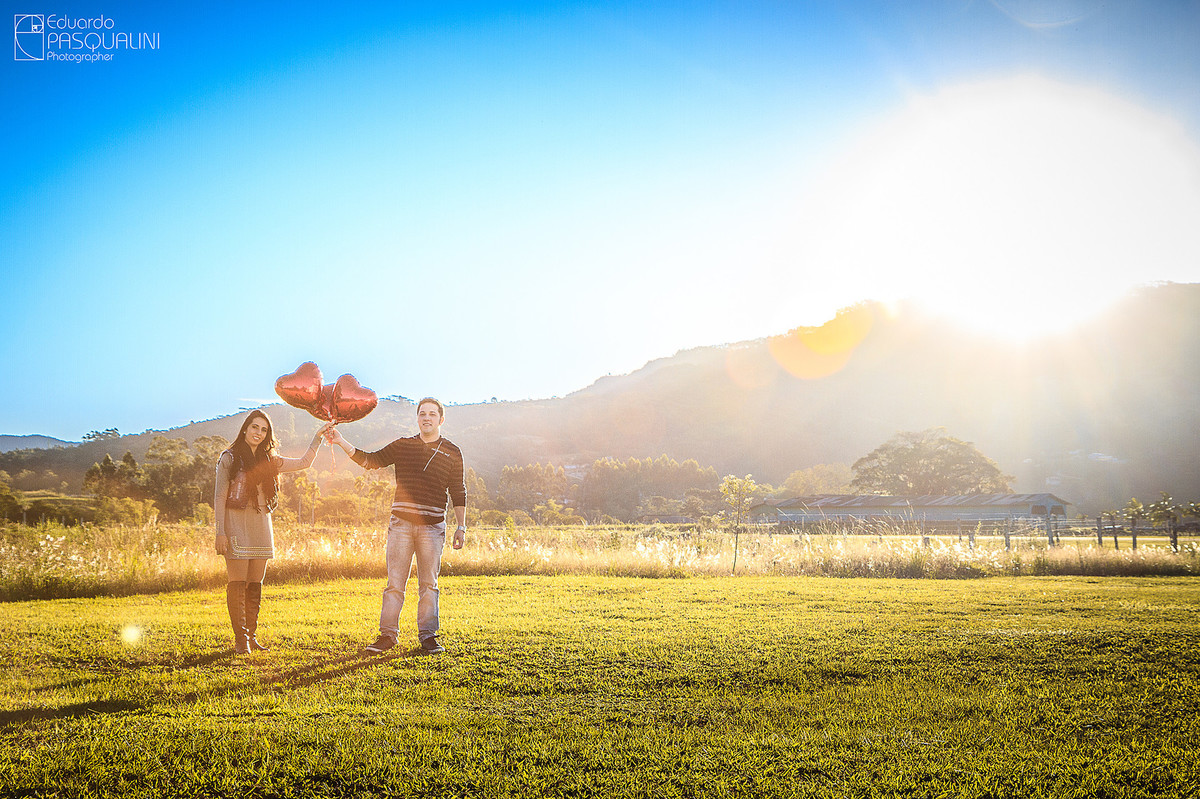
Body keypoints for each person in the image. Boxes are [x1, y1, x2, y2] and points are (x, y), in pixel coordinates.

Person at [326, 397, 466, 655]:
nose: (426, 418)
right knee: (394, 584)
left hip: (433, 528)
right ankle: (388, 635)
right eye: (422, 413)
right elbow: (370, 461)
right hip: (401, 525)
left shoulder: (453, 452)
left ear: (441, 419)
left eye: (432, 414)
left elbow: (458, 491)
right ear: (417, 418)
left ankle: (428, 636)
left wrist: (461, 526)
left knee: (429, 585)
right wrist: (340, 440)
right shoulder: (403, 445)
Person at [214, 409, 329, 654]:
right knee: (238, 582)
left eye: (264, 430)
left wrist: (318, 436)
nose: (258, 432)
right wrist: (219, 532)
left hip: (261, 524)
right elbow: (219, 496)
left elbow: (304, 463)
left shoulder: (271, 461)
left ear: (268, 435)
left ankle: (251, 636)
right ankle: (240, 640)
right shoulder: (229, 458)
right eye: (255, 427)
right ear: (245, 428)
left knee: (255, 583)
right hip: (235, 524)